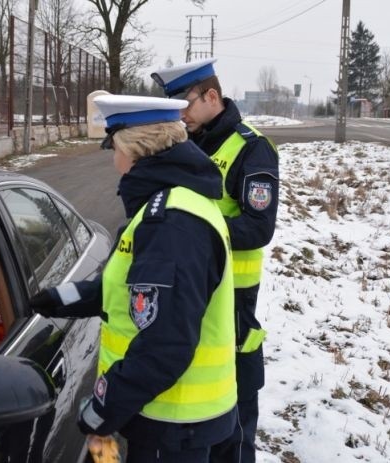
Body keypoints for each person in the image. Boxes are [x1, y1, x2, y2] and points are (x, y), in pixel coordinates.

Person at [30, 94, 237, 462]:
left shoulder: (170, 223)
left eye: (114, 149)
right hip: (174, 418)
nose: (113, 161)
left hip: (174, 423)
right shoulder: (173, 203)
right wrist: (63, 298)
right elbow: (132, 292)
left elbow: (165, 346)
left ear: (134, 149)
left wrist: (104, 406)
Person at [151, 58, 280, 463]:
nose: (180, 113)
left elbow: (258, 228)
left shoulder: (252, 148)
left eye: (185, 103)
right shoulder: (185, 144)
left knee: (236, 423)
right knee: (199, 405)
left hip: (233, 301)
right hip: (189, 293)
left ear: (212, 96)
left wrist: (194, 230)